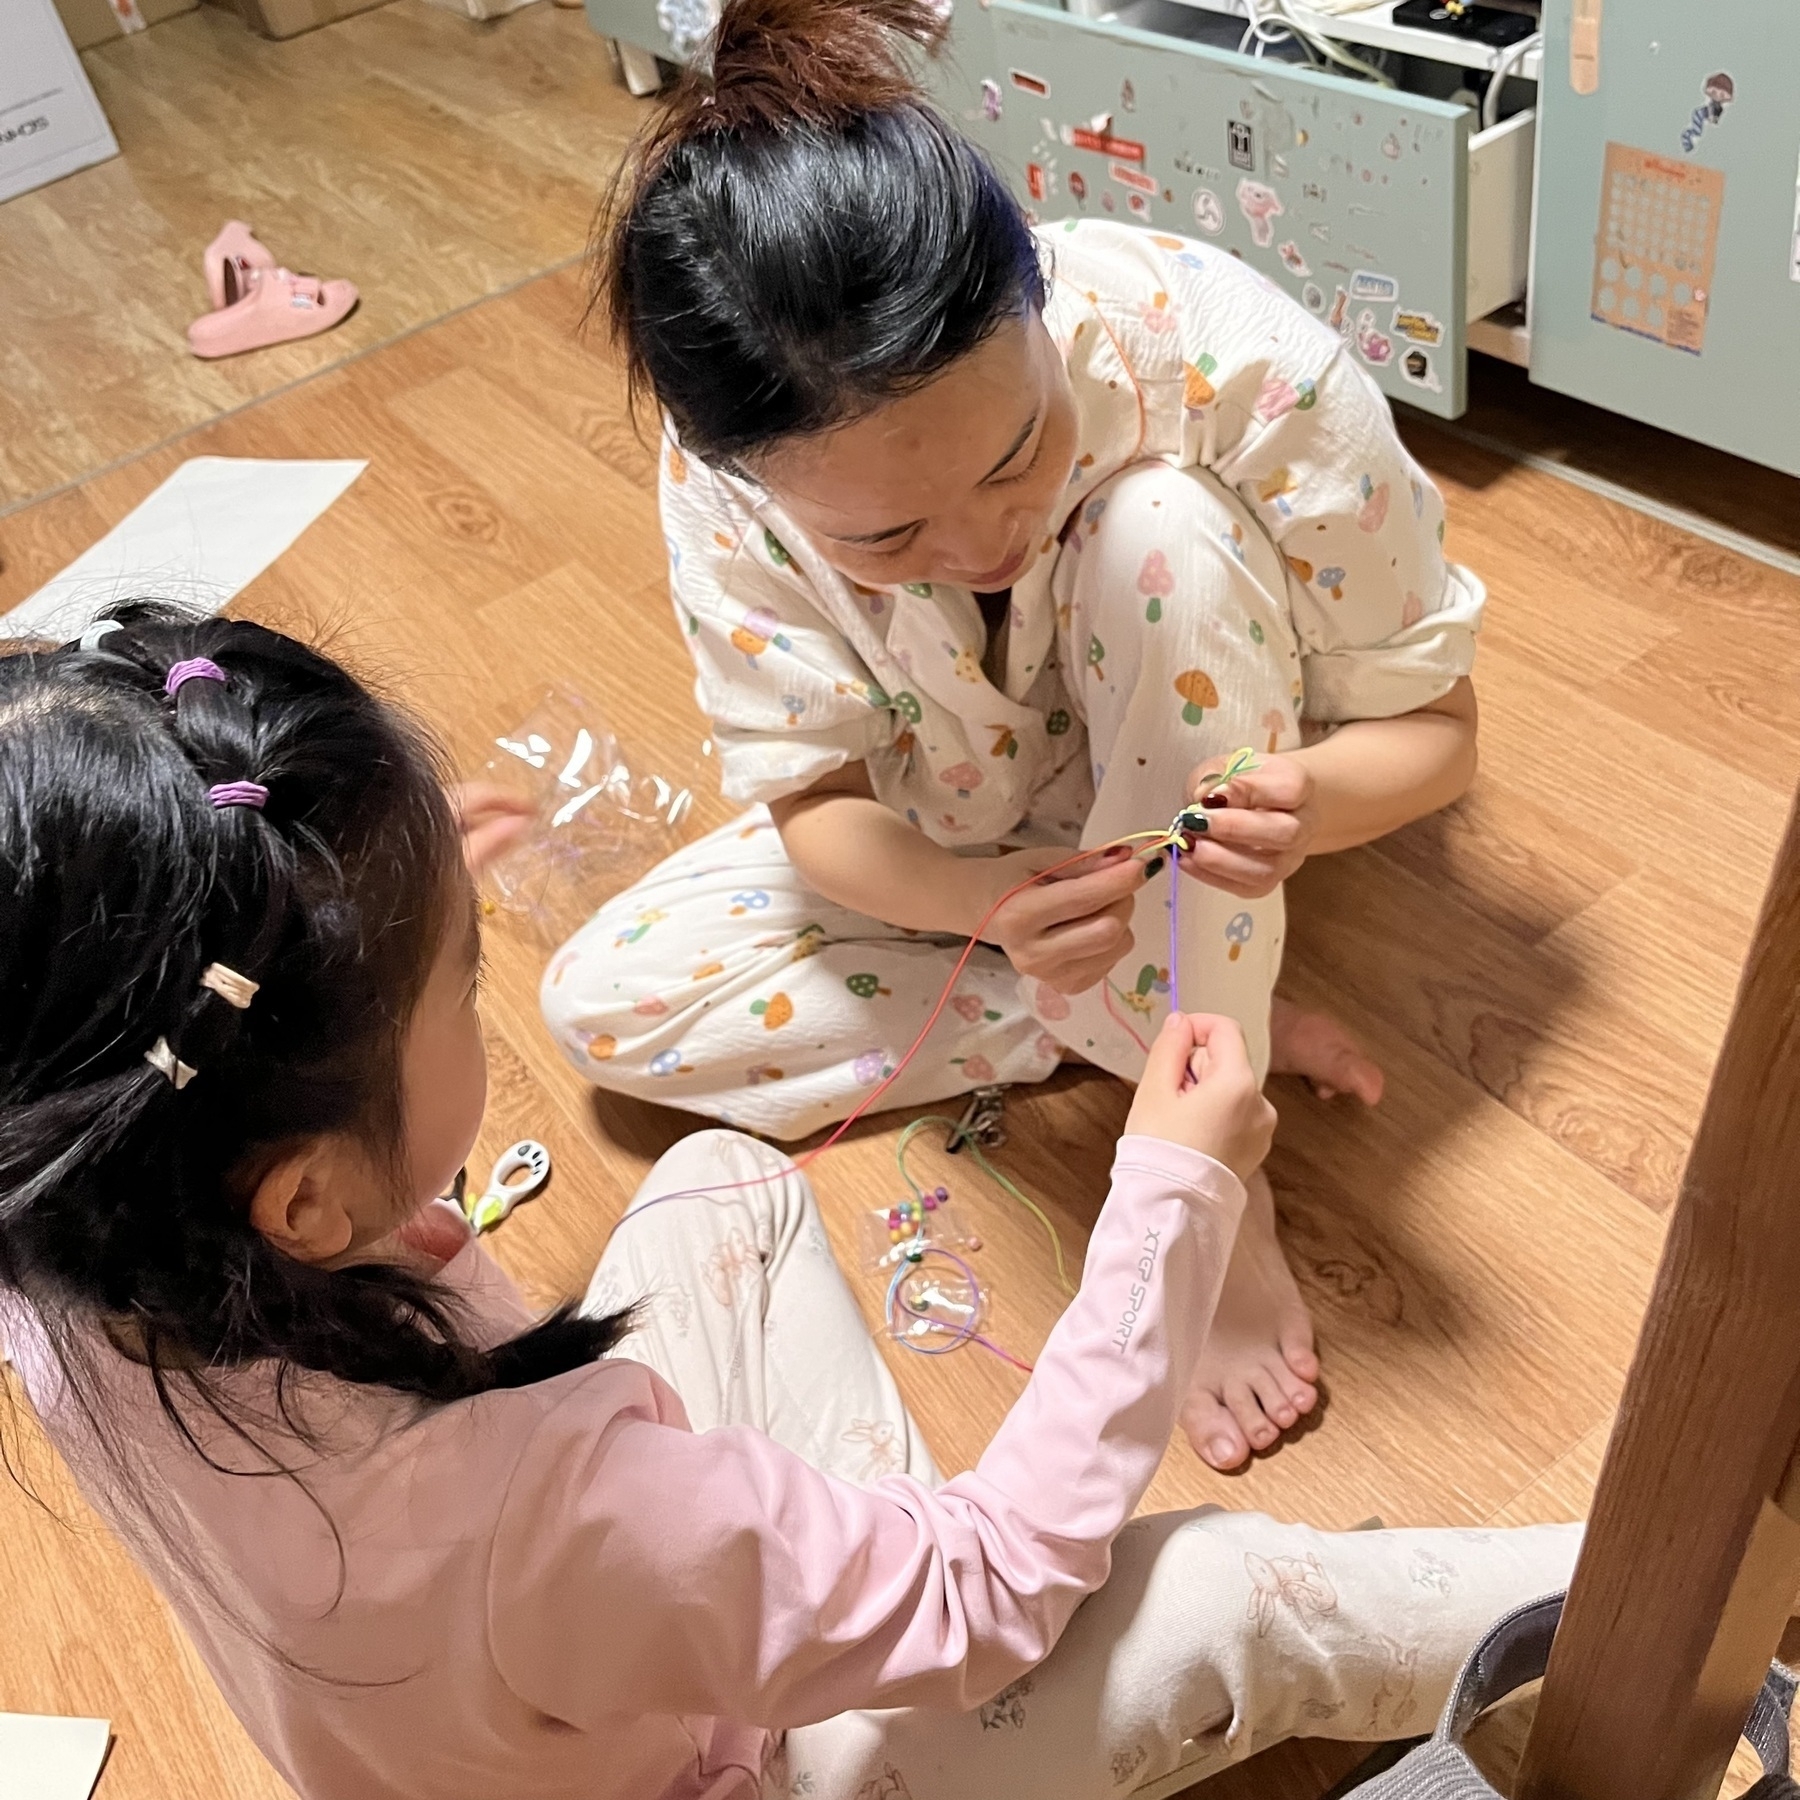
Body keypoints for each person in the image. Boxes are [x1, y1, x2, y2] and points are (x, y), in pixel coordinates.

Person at [0, 608, 1576, 1800]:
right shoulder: (542, 1521)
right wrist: (1172, 1198)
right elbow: (999, 1588)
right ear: (306, 1201)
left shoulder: (65, 1240)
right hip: (728, 1747)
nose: (481, 986)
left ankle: (821, 1582)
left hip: (553, 1647)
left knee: (720, 1179)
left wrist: (379, 892)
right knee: (1222, 1590)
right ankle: (1665, 1588)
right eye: (463, 985)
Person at [543, 0, 1486, 1469]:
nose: (985, 538)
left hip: (1202, 760)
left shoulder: (1241, 365)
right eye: (890, 531)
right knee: (604, 1005)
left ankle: (1206, 1176)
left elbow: (1440, 735)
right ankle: (1173, 1033)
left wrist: (1311, 799)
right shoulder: (724, 481)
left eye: (1020, 447)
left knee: (1155, 527)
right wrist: (990, 908)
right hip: (985, 834)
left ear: (1035, 299)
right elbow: (819, 804)